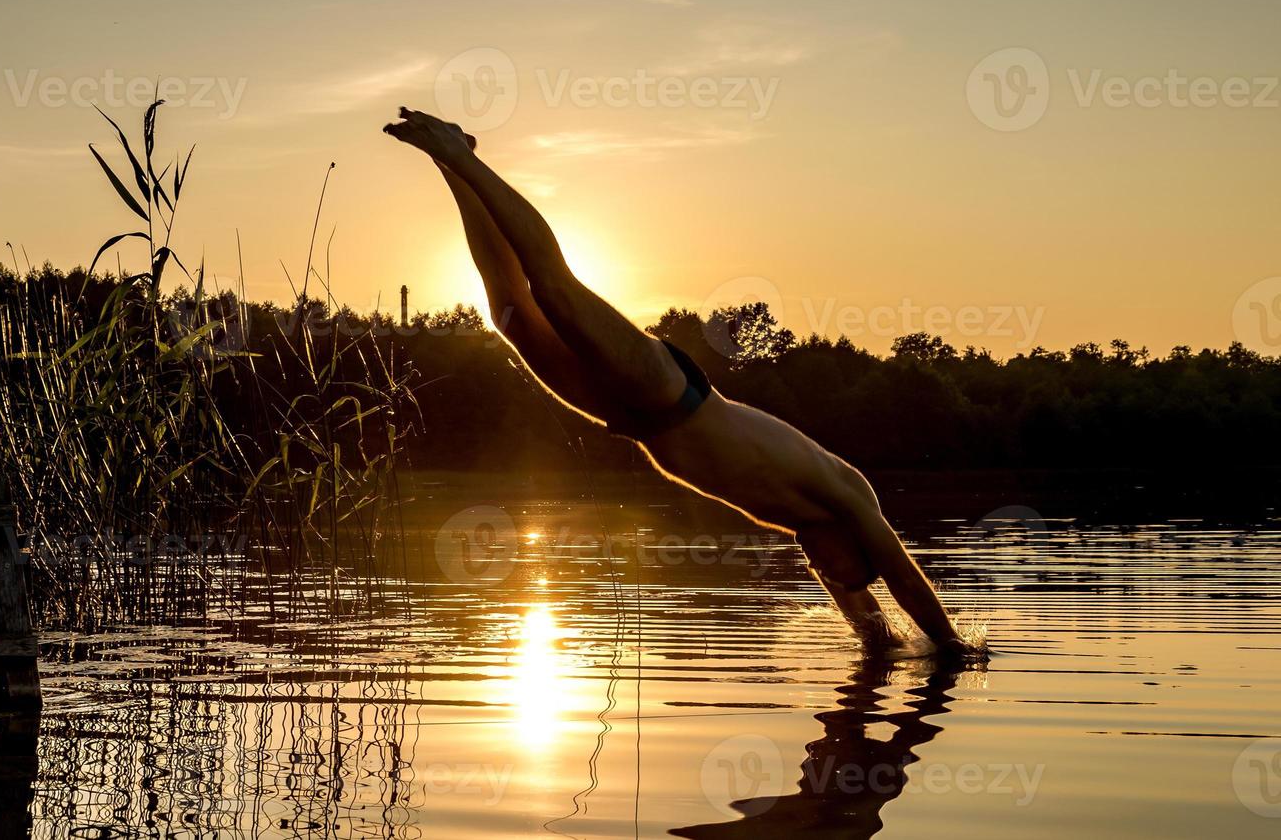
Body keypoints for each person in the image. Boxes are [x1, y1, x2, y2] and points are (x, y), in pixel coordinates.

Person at [384, 107, 976, 657]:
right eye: (837, 570)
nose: (823, 573)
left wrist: (886, 654)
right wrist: (951, 648)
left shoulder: (811, 529)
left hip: (636, 422)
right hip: (670, 392)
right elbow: (904, 580)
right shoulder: (848, 494)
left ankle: (450, 161)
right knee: (554, 291)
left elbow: (871, 623)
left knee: (510, 314)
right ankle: (466, 158)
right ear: (856, 546)